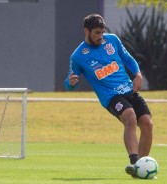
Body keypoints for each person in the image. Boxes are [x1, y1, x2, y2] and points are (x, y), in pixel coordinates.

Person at [64, 14, 153, 178]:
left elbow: (128, 58)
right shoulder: (78, 56)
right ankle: (134, 163)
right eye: (97, 33)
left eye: (102, 32)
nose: (100, 36)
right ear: (87, 31)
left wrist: (138, 74)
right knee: (130, 117)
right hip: (111, 97)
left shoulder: (112, 40)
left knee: (147, 124)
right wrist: (71, 82)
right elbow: (69, 84)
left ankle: (141, 168)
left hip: (129, 90)